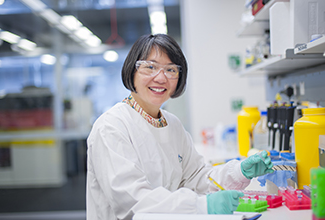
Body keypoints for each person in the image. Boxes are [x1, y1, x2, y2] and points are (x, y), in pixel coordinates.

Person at [86, 34, 273, 220]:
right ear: (131, 71)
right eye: (150, 67)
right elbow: (134, 202)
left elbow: (197, 177)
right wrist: (201, 205)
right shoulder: (111, 127)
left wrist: (239, 171)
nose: (160, 78)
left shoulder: (172, 124)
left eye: (171, 70)